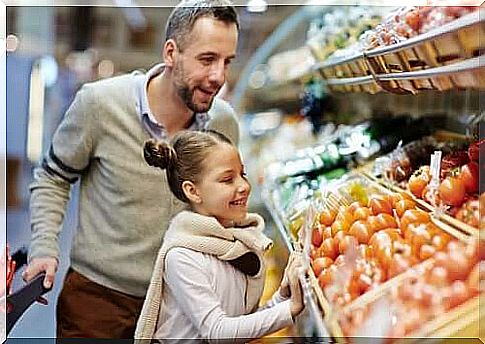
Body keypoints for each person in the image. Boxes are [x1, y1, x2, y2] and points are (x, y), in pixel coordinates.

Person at [22, 0, 241, 338]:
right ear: (171, 53)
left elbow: (225, 212)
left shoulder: (223, 123)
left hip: (181, 306)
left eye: (227, 62)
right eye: (207, 59)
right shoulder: (100, 104)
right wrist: (44, 248)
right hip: (97, 304)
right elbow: (54, 176)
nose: (219, 77)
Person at [135, 130, 305, 342]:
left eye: (242, 174)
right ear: (193, 191)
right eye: (227, 179)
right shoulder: (182, 256)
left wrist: (283, 296)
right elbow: (218, 332)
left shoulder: (233, 243)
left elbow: (242, 324)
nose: (243, 186)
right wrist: (289, 309)